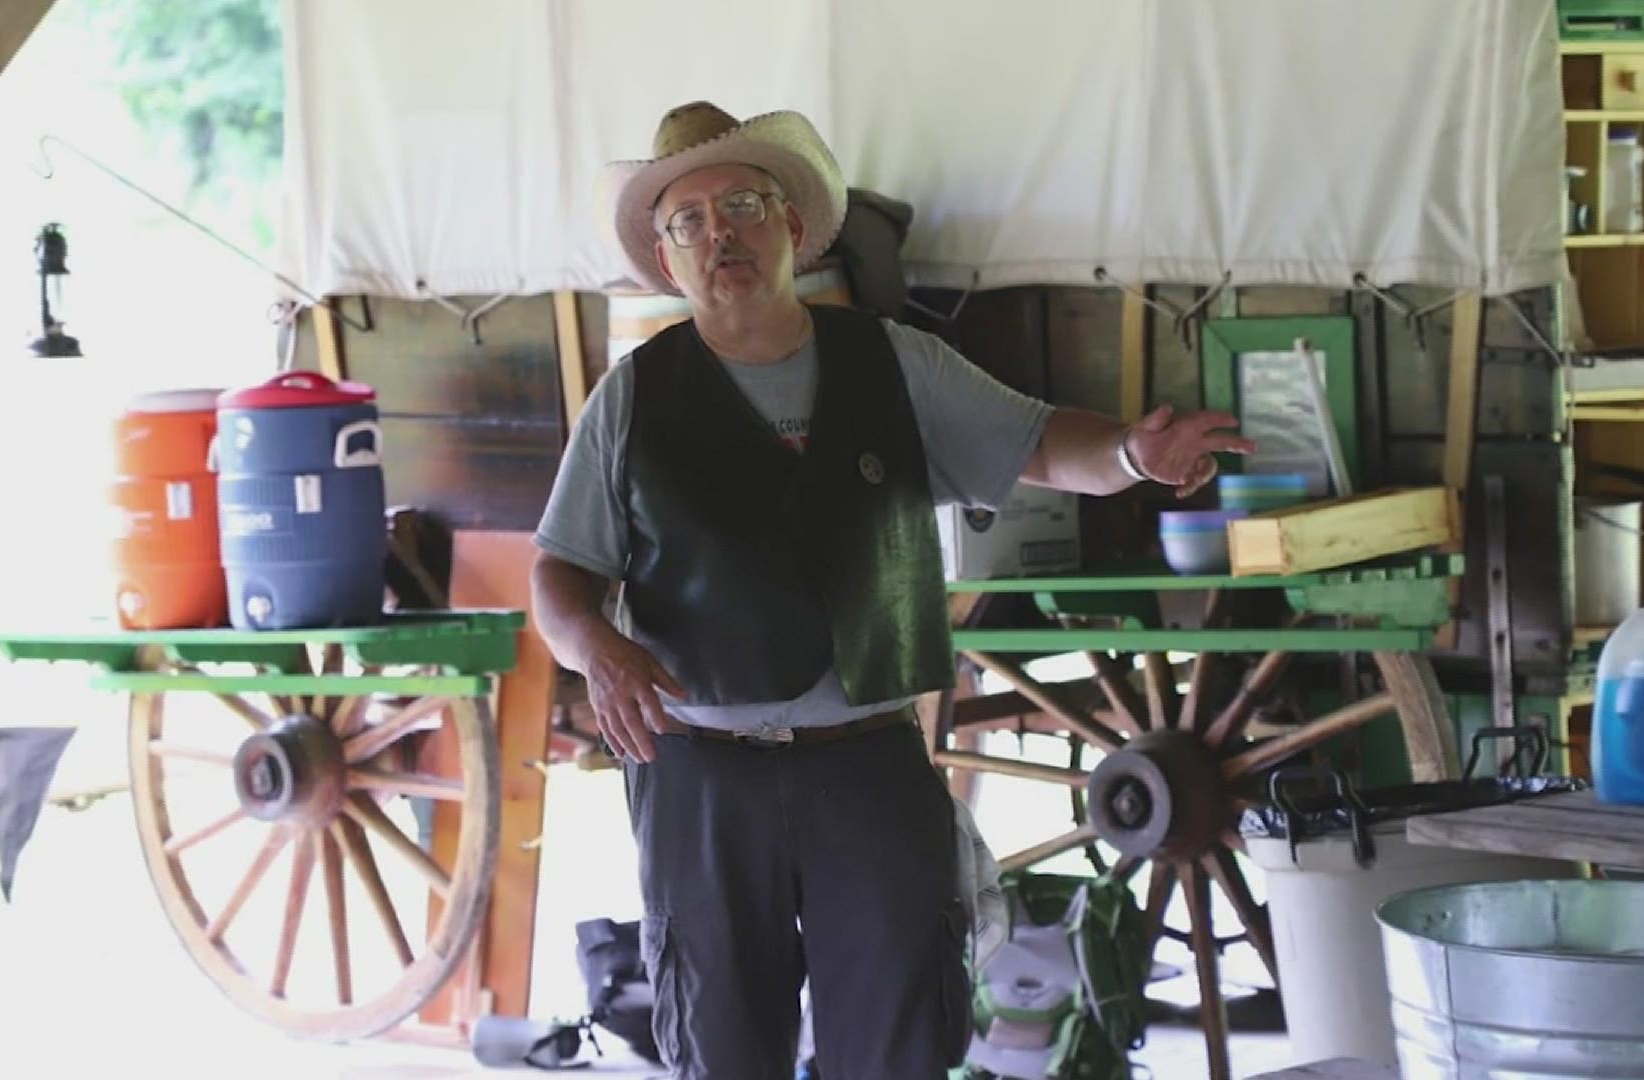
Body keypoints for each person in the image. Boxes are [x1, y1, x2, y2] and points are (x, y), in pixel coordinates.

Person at [530, 101, 1253, 1080]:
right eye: (687, 221)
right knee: (722, 1044)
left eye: (740, 203)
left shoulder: (892, 363)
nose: (718, 235)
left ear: (792, 226)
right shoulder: (632, 397)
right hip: (700, 777)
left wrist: (1130, 449)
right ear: (667, 261)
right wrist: (596, 650)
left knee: (900, 1038)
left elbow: (1037, 441)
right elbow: (558, 576)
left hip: (866, 765)